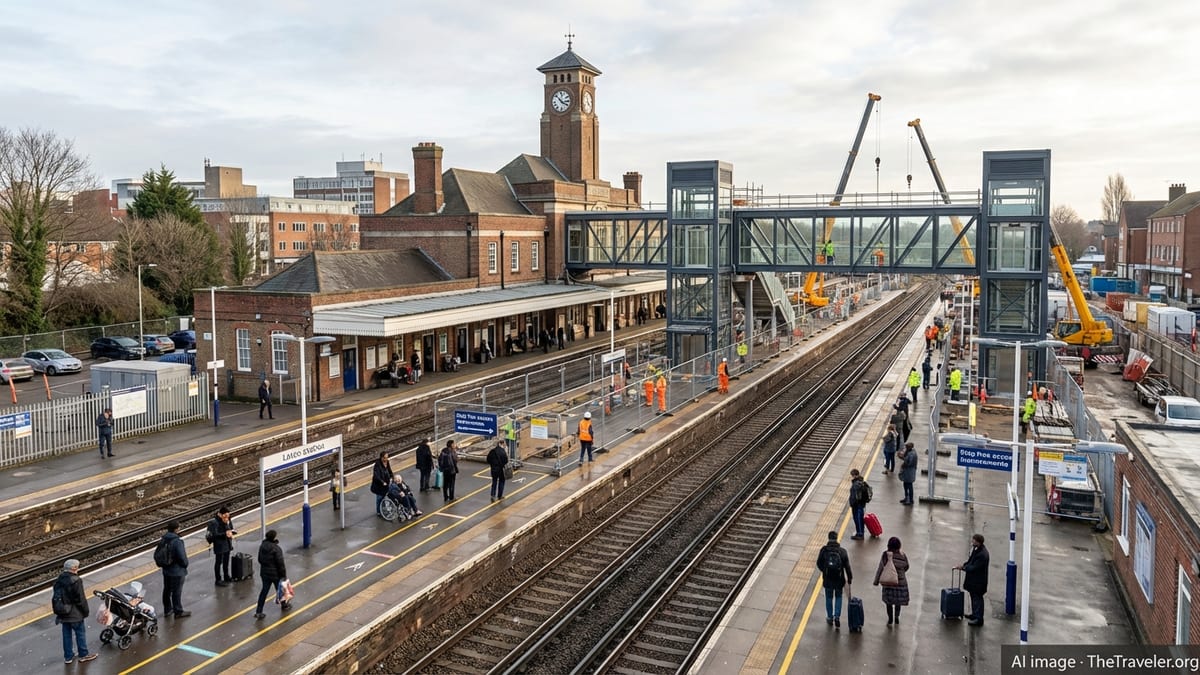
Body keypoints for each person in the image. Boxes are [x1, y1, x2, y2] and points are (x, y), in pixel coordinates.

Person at [54, 559, 97, 663]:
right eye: (77, 567)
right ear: (74, 568)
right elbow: (80, 599)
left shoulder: (59, 579)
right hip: (75, 613)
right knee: (80, 633)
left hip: (63, 612)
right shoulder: (76, 580)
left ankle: (68, 657)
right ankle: (83, 654)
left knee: (66, 634)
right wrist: (85, 611)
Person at [816, 531, 852, 628]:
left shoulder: (824, 550)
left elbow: (819, 563)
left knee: (829, 597)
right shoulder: (842, 551)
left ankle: (829, 617)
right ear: (836, 538)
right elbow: (847, 567)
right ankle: (837, 616)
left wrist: (824, 571)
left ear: (829, 538)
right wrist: (849, 578)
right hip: (839, 579)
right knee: (838, 596)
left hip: (827, 579)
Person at [872, 536, 911, 626]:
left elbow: (880, 568)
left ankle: (890, 619)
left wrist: (876, 581)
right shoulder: (903, 555)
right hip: (900, 583)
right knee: (898, 602)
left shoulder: (886, 555)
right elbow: (906, 566)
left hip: (888, 583)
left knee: (889, 602)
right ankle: (897, 617)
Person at [157, 520, 190, 617]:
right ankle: (178, 611)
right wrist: (185, 564)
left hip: (166, 570)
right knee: (176, 592)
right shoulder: (177, 541)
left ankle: (167, 610)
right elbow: (182, 557)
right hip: (177, 571)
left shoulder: (163, 539)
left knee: (167, 590)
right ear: (176, 529)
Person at [254, 529, 289, 619]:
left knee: (264, 591)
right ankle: (284, 605)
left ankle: (259, 611)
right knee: (280, 589)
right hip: (275, 574)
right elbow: (280, 564)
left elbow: (259, 559)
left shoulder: (262, 546)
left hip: (264, 573)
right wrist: (283, 575)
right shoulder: (276, 549)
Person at [957, 533, 991, 626]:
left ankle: (979, 619)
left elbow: (974, 567)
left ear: (978, 542)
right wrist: (964, 565)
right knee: (973, 597)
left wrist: (963, 568)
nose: (972, 542)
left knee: (978, 599)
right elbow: (970, 561)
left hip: (978, 582)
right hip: (974, 581)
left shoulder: (982, 555)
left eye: (974, 540)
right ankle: (975, 614)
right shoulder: (977, 550)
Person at [210, 507, 235, 586]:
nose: (227, 518)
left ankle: (226, 576)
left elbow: (230, 527)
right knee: (218, 562)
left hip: (227, 543)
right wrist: (225, 534)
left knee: (226, 561)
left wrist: (231, 531)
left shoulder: (228, 519)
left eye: (228, 516)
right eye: (225, 516)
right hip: (219, 545)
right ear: (220, 515)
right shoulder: (215, 523)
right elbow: (215, 534)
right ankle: (218, 579)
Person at [848, 469, 870, 540]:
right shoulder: (862, 482)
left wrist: (852, 503)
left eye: (852, 475)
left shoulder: (856, 484)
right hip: (861, 504)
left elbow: (855, 496)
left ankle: (860, 534)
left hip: (857, 505)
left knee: (858, 519)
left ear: (854, 475)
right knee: (860, 518)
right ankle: (860, 533)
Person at [369, 451, 393, 516]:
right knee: (379, 498)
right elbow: (376, 475)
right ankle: (379, 511)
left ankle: (383, 509)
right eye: (385, 458)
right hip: (379, 485)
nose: (386, 459)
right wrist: (382, 482)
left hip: (386, 483)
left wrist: (391, 477)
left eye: (387, 457)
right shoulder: (377, 464)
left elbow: (389, 470)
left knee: (384, 496)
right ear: (381, 458)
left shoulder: (387, 462)